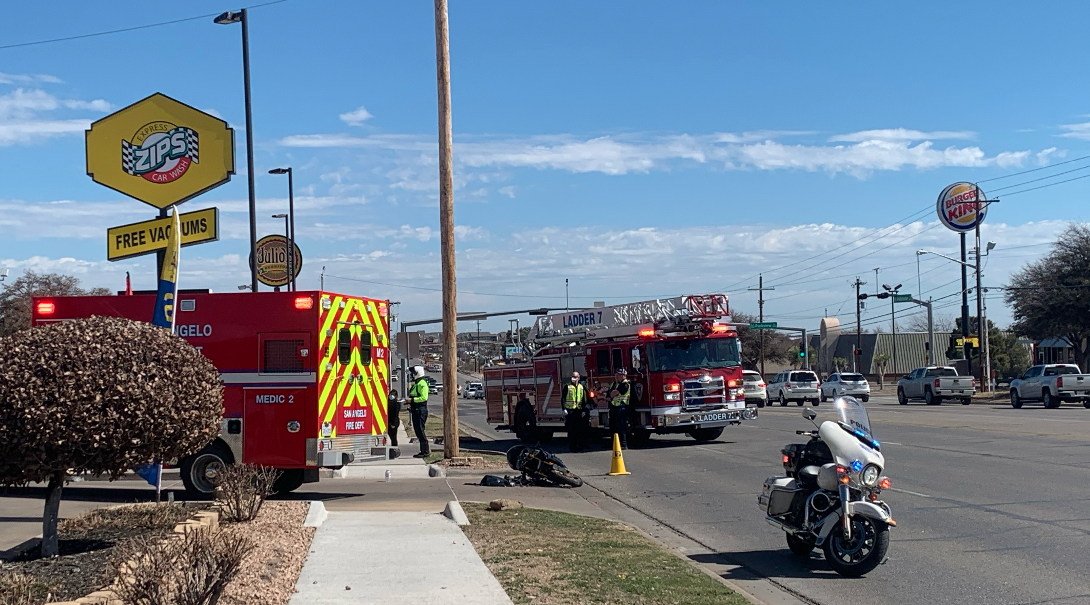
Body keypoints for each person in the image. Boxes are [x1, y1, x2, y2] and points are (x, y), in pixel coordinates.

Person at [405, 366, 430, 457]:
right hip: (415, 410)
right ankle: (422, 451)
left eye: (413, 373)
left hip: (420, 410)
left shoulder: (422, 384)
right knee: (417, 431)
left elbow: (424, 398)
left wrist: (411, 401)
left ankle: (426, 451)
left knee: (420, 430)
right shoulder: (416, 383)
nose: (412, 375)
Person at [562, 371, 589, 452]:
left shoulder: (582, 387)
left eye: (575, 377)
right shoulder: (567, 387)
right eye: (573, 376)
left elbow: (584, 399)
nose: (573, 378)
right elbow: (563, 398)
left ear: (579, 378)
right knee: (571, 430)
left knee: (578, 429)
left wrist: (584, 410)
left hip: (578, 411)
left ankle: (578, 445)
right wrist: (564, 409)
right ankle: (572, 446)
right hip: (570, 411)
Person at [607, 368, 631, 449]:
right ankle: (614, 444)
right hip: (613, 408)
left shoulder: (625, 384)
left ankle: (624, 444)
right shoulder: (614, 384)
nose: (616, 376)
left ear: (624, 375)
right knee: (613, 427)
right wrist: (610, 395)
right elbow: (608, 395)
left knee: (621, 427)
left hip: (621, 408)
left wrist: (612, 395)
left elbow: (613, 394)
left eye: (619, 375)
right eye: (616, 374)